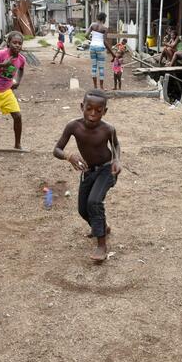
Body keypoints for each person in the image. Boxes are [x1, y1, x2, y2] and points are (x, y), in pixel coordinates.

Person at [53, 90, 121, 262]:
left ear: (105, 111)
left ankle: (101, 246)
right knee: (83, 210)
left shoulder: (108, 129)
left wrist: (117, 160)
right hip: (88, 171)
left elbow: (116, 146)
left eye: (98, 111)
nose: (93, 114)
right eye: (89, 109)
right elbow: (56, 150)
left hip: (106, 170)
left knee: (94, 202)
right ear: (82, 107)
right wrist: (69, 156)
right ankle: (102, 227)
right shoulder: (73, 126)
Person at [86, 12, 116, 89]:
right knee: (101, 68)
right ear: (103, 19)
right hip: (100, 48)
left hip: (92, 47)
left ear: (97, 18)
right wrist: (113, 54)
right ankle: (101, 87)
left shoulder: (92, 25)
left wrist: (92, 40)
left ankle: (95, 87)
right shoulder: (105, 28)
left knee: (94, 67)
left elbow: (86, 35)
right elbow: (105, 41)